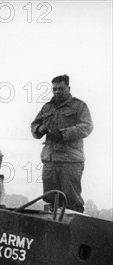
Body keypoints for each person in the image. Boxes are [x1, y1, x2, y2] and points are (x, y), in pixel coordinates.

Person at [31, 74, 93, 212]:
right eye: (54, 89)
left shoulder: (79, 106)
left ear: (68, 88)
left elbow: (87, 127)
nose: (57, 91)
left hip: (70, 161)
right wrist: (38, 129)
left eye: (61, 88)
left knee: (71, 201)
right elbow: (34, 124)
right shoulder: (47, 107)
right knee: (50, 198)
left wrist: (63, 133)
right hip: (49, 160)